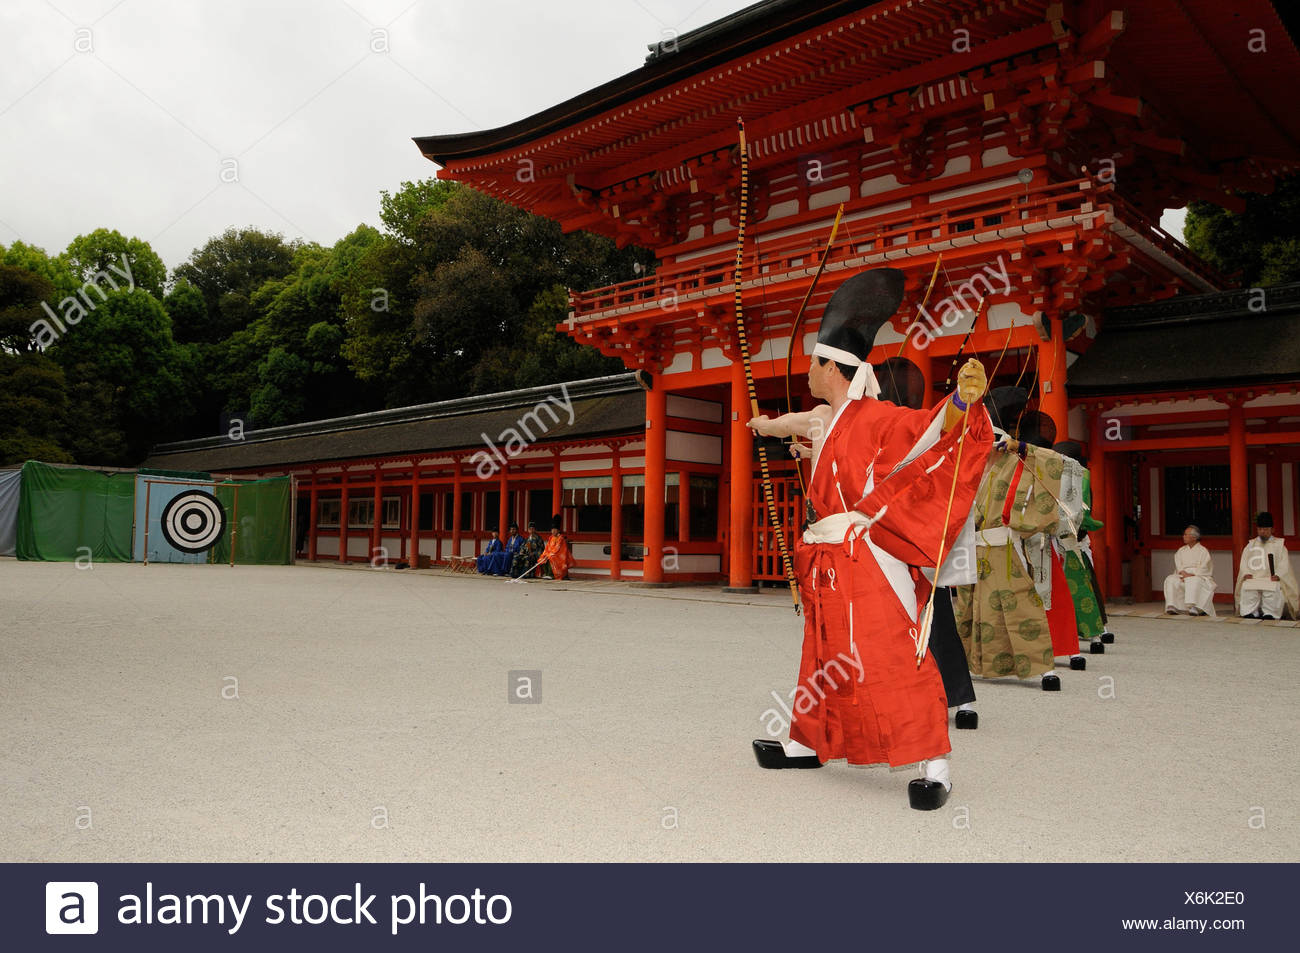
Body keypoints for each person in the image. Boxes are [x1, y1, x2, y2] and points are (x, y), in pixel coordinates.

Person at [746, 267, 993, 811]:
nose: (806, 370)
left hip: (870, 556)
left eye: (812, 362)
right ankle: (806, 741)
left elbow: (924, 433)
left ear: (832, 366)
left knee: (893, 655)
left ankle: (935, 763)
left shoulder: (876, 417)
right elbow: (794, 426)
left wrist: (960, 403)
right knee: (822, 653)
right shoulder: (827, 420)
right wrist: (764, 428)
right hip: (828, 558)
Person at [1235, 512, 1298, 619]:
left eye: (1265, 529)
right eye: (1260, 529)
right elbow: (1244, 562)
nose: (1262, 532)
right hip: (1254, 577)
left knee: (1272, 588)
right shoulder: (1250, 545)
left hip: (1271, 578)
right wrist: (1246, 573)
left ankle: (1270, 613)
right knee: (1248, 587)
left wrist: (1278, 575)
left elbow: (1284, 564)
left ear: (1272, 529)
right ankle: (1251, 612)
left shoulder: (1279, 545)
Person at [1164, 525, 1216, 616]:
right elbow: (1178, 565)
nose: (1183, 536)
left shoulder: (1203, 551)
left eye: (1186, 534)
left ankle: (1193, 606)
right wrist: (1183, 573)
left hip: (1198, 576)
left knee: (1193, 580)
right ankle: (1172, 605)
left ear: (1194, 537)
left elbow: (1205, 567)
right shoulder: (1181, 550)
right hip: (1182, 574)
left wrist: (1192, 574)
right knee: (1170, 579)